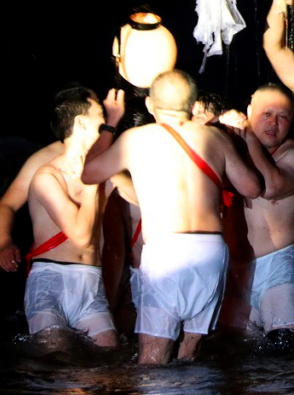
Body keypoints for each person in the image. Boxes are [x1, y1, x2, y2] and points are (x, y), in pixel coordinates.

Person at [82, 70, 265, 364]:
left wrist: (110, 122)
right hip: (211, 251)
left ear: (150, 106)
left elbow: (89, 173)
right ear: (193, 106)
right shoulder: (215, 138)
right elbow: (252, 188)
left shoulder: (136, 139)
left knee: (153, 357)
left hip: (166, 251)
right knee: (190, 353)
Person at [25, 87, 133, 348]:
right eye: (100, 114)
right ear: (82, 123)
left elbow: (150, 203)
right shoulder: (47, 177)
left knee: (108, 358)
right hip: (51, 279)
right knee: (57, 359)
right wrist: (91, 183)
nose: (105, 119)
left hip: (89, 280)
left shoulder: (106, 172)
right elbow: (82, 236)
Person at [0, 88, 125, 272]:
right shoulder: (45, 160)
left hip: (97, 272)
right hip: (57, 268)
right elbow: (7, 205)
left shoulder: (109, 158)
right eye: (98, 110)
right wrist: (4, 243)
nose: (102, 118)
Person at [223, 84, 294, 337]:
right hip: (238, 268)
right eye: (266, 114)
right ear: (249, 112)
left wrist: (249, 136)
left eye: (283, 117)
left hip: (277, 262)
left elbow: (271, 187)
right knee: (239, 353)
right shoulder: (232, 148)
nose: (274, 123)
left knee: (283, 344)